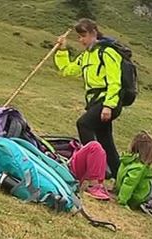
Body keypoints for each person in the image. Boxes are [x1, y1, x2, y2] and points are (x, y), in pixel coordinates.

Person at [55, 18, 124, 175]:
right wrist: (62, 50)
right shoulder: (86, 56)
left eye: (83, 36)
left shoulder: (107, 52)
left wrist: (108, 106)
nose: (81, 40)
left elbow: (115, 81)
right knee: (106, 141)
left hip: (108, 101)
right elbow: (67, 70)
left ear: (93, 33)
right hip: (94, 103)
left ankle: (94, 168)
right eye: (79, 37)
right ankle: (117, 176)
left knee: (84, 124)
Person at [115, 131, 152, 209]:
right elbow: (128, 184)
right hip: (135, 198)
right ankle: (149, 204)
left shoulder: (128, 159)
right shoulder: (139, 168)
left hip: (122, 191)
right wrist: (122, 201)